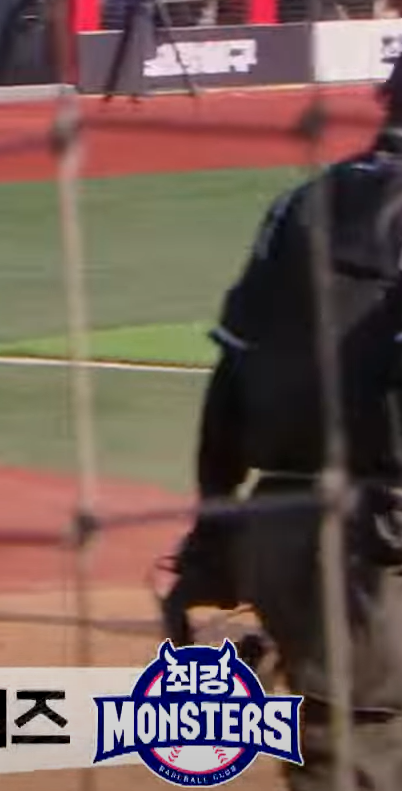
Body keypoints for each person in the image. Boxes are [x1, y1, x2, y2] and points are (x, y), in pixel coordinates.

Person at [161, 59, 402, 790]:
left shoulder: (301, 206)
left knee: (342, 750)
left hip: (284, 521)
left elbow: (231, 377)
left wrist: (212, 536)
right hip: (379, 545)